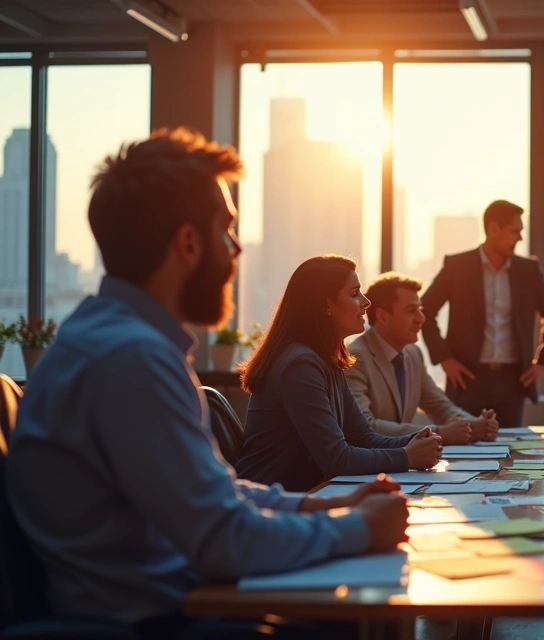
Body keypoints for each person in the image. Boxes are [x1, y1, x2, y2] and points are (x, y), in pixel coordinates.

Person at [6, 128, 407, 635]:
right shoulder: (131, 360)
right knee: (352, 619)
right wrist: (356, 527)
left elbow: (215, 494)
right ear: (189, 243)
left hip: (182, 601)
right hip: (155, 622)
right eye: (226, 231)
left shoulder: (109, 339)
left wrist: (319, 504)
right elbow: (222, 538)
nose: (236, 248)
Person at [236, 255, 442, 492]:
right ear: (326, 305)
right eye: (355, 294)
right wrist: (406, 457)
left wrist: (416, 441)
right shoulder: (300, 365)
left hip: (308, 494)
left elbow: (362, 436)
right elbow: (336, 458)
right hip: (271, 505)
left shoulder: (326, 359)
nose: (366, 302)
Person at [420, 200, 544, 428]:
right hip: (467, 378)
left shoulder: (528, 271)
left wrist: (543, 362)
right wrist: (444, 359)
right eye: (514, 231)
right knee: (464, 451)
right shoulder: (457, 267)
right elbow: (424, 310)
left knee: (511, 451)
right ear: (493, 229)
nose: (520, 238)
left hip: (513, 380)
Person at [347, 272, 498, 443]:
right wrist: (438, 432)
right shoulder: (355, 357)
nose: (421, 319)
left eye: (420, 310)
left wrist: (475, 424)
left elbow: (441, 407)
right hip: (371, 466)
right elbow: (366, 427)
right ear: (382, 316)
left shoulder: (413, 353)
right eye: (411, 311)